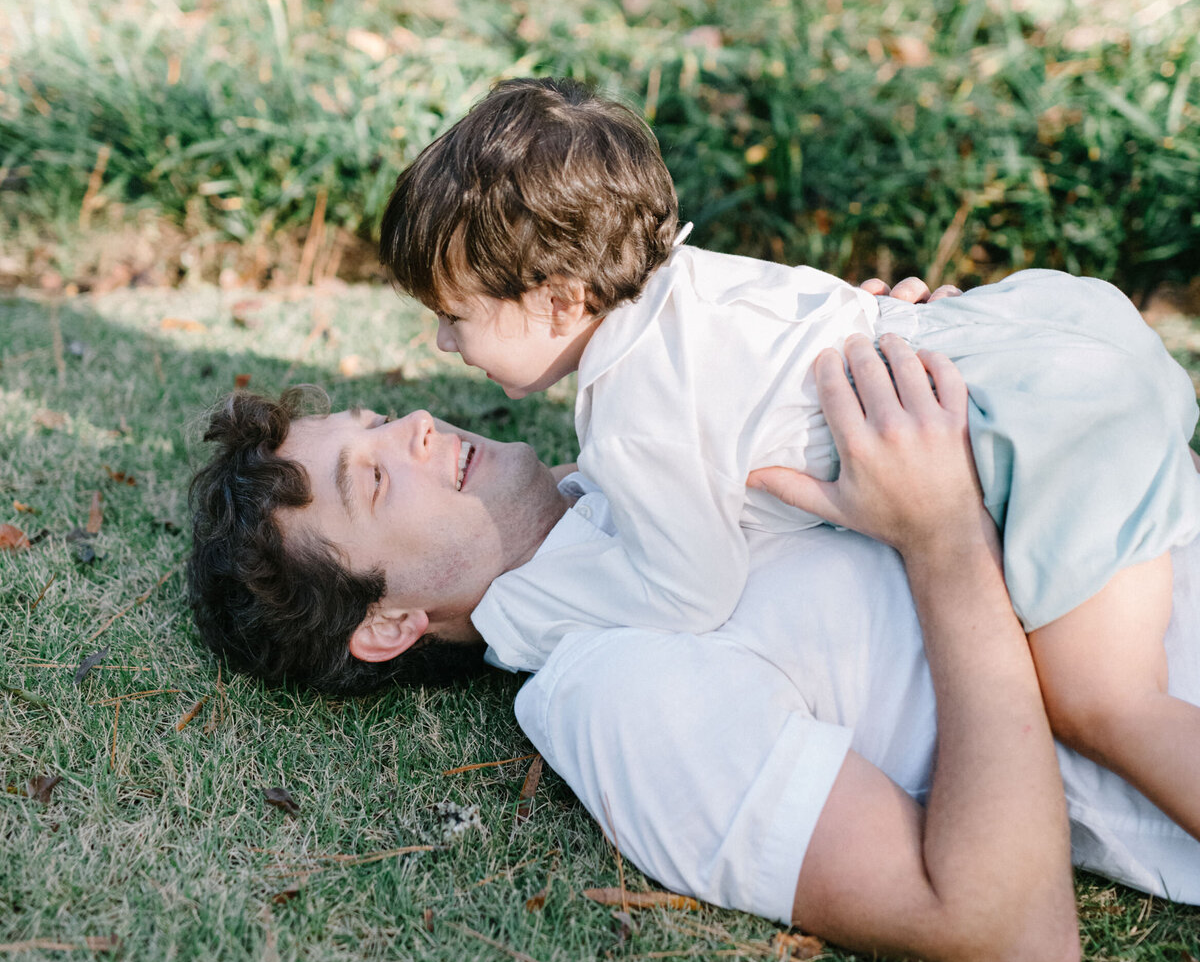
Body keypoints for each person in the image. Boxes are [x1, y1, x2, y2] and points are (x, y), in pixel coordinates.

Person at [378, 78, 1200, 839]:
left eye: (455, 316)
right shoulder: (696, 285)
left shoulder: (635, 414)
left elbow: (688, 588)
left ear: (560, 301)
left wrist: (522, 610)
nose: (446, 344)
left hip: (1048, 434)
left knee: (1108, 703)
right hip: (1056, 342)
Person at [190, 331, 1085, 962]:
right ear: (389, 624)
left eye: (380, 420)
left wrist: (898, 358)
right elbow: (1009, 932)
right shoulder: (616, 689)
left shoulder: (645, 447)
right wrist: (943, 536)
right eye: (375, 479)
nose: (418, 424)